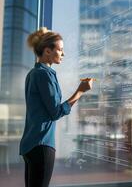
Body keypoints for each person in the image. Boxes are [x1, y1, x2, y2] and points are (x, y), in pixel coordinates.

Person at [19, 27, 93, 187]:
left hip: (30, 144)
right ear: (47, 51)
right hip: (42, 145)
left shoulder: (33, 73)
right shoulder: (44, 75)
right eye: (60, 50)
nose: (63, 54)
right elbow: (56, 112)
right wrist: (80, 91)